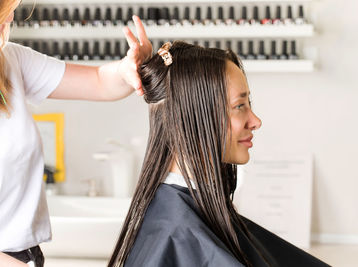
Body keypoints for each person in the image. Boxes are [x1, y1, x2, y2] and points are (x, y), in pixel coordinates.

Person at [108, 41, 330, 267]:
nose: (256, 121)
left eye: (248, 103)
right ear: (192, 116)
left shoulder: (183, 213)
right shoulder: (177, 232)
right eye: (239, 106)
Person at [0, 0, 152, 266]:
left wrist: (127, 69)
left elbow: (99, 82)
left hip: (26, 254)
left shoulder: (11, 61)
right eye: (3, 8)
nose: (12, 16)